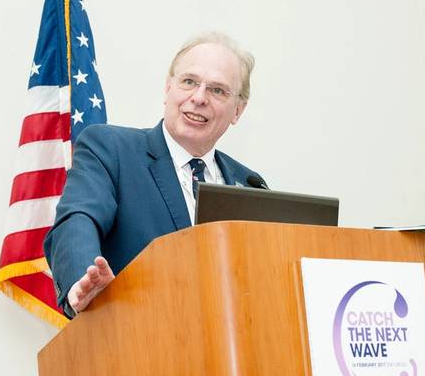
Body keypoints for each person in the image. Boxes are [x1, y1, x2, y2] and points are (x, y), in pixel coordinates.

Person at [44, 32, 266, 318]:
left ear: (238, 110)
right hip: (134, 345)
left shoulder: (250, 185)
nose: (198, 98)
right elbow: (77, 219)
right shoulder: (111, 150)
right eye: (189, 82)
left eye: (217, 90)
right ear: (168, 87)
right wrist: (83, 279)